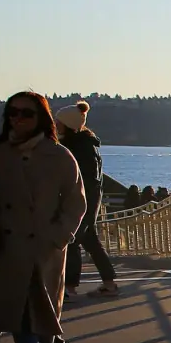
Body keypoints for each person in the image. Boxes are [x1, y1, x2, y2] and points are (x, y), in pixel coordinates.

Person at [0, 93, 86, 343]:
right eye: (13, 113)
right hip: (9, 242)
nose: (18, 119)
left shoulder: (59, 156)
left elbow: (76, 202)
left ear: (41, 119)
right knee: (18, 312)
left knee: (45, 311)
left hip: (45, 244)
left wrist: (59, 237)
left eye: (26, 114)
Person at [55, 100, 117, 300]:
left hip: (82, 199)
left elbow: (80, 178)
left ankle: (70, 288)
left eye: (58, 123)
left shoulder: (77, 147)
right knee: (90, 240)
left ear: (68, 125)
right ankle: (109, 283)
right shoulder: (86, 144)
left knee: (73, 239)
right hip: (89, 198)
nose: (55, 126)